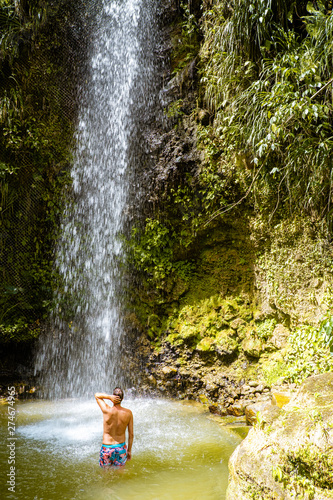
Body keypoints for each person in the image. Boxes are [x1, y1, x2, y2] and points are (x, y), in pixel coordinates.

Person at [95, 387, 134, 468]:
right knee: (121, 473)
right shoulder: (128, 413)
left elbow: (97, 395)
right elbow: (131, 434)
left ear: (113, 398)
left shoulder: (106, 410)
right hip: (121, 448)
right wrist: (129, 451)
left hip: (107, 448)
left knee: (105, 475)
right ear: (122, 398)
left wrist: (109, 397)